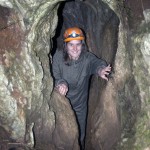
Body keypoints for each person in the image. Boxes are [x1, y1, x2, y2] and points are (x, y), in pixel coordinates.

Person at [52, 27, 111, 149]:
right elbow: (54, 76)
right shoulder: (58, 57)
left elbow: (97, 63)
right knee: (65, 138)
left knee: (80, 135)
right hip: (62, 105)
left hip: (80, 106)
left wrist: (100, 70)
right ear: (65, 45)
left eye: (78, 45)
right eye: (71, 45)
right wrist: (61, 83)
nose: (75, 49)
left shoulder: (87, 58)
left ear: (82, 45)